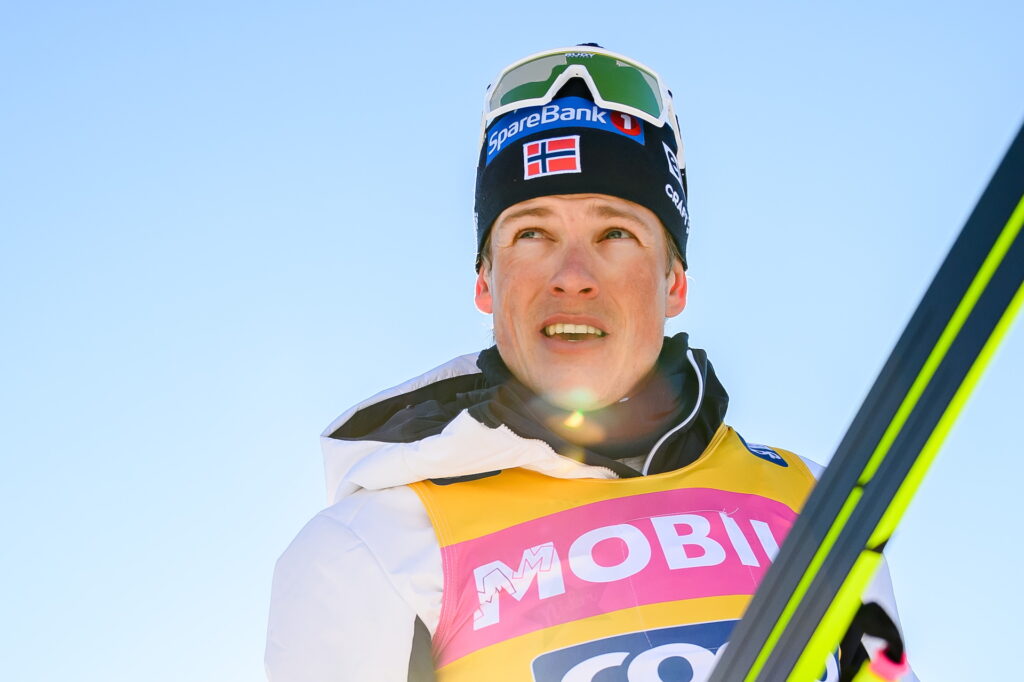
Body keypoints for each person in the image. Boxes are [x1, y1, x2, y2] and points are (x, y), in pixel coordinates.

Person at [265, 45, 917, 682]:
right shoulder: (373, 548)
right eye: (532, 233)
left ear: (673, 282)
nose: (572, 276)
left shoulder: (820, 502)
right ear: (486, 281)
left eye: (615, 234)